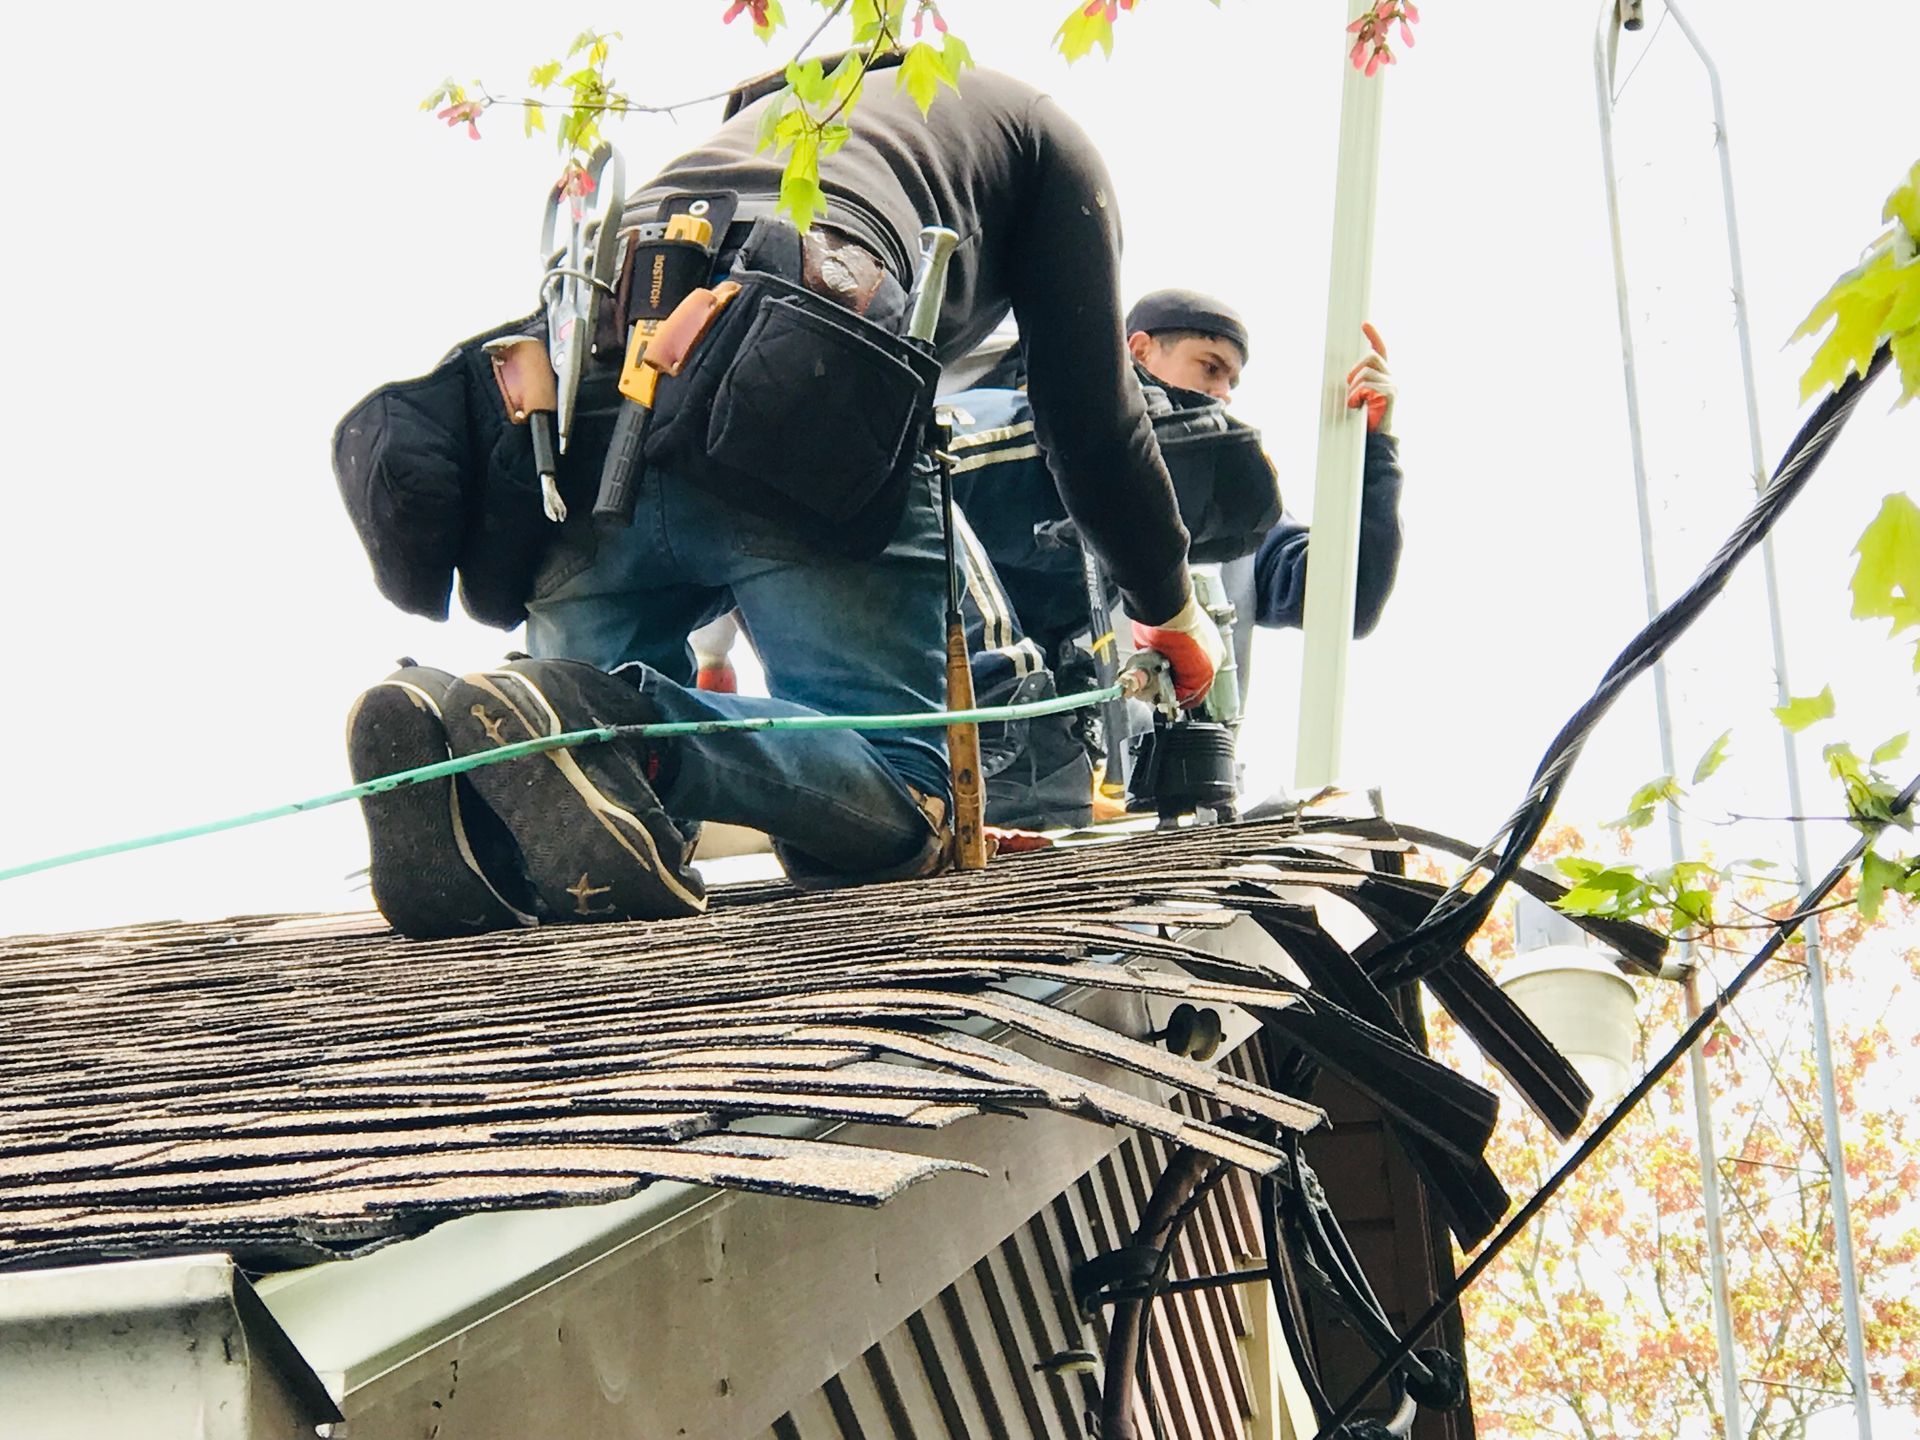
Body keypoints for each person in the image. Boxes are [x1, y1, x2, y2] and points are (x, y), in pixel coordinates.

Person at [342, 63, 1222, 936]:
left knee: (593, 801)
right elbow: (1092, 423)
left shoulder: (746, 134)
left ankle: (467, 786)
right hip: (794, 389)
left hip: (580, 414)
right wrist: (1168, 601)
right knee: (907, 796)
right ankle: (607, 725)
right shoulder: (1031, 130)